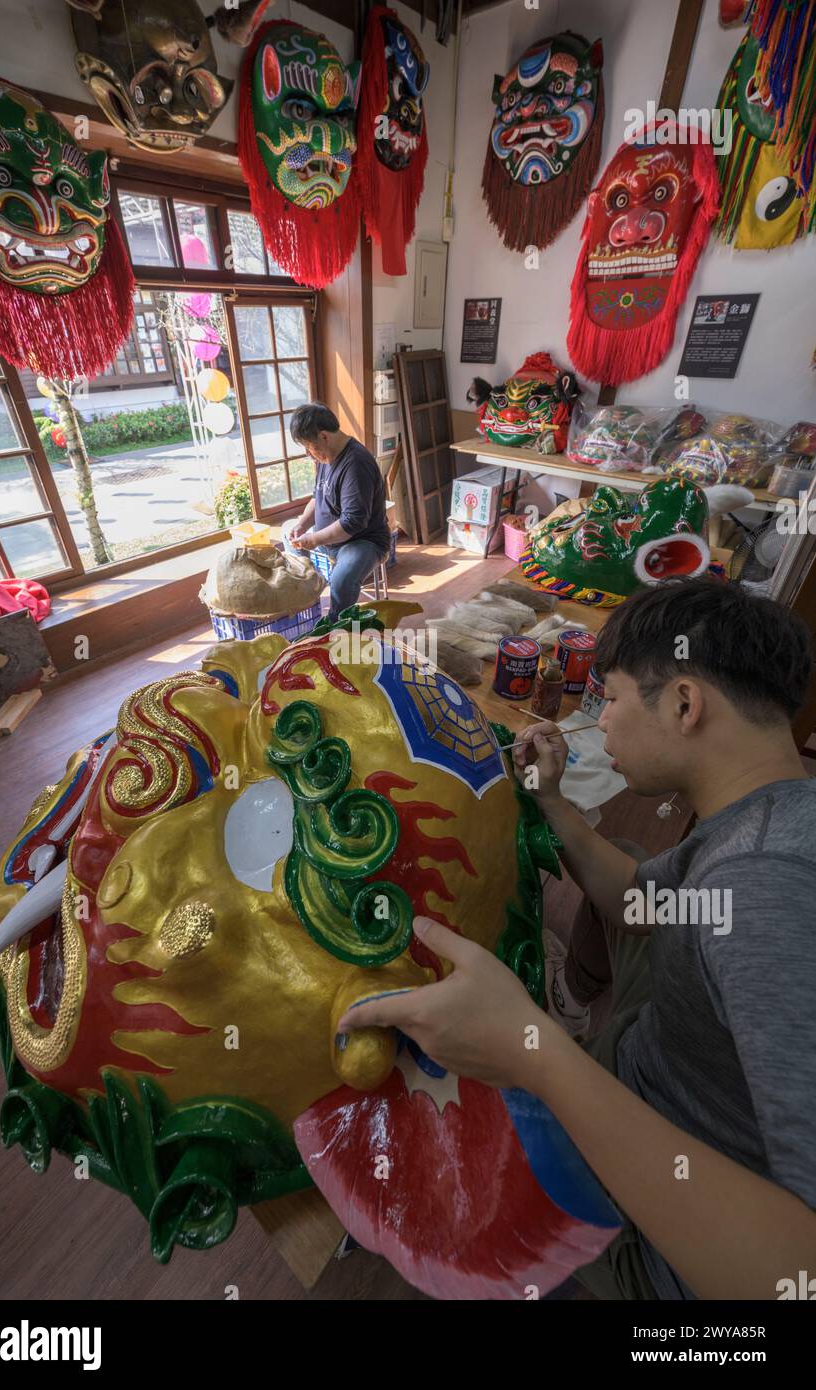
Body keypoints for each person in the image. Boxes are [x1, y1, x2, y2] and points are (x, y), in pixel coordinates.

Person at [339, 577, 816, 1300]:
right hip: (651, 1073)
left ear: (685, 704)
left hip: (659, 1250)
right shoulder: (768, 813)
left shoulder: (766, 888)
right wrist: (551, 801)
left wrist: (537, 1055)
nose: (601, 721)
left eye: (611, 699)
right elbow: (647, 908)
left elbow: (795, 1275)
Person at [284, 402, 390, 617]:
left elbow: (353, 523)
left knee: (342, 578)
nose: (308, 454)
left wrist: (314, 539)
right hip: (331, 540)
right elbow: (318, 497)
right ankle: (310, 605)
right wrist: (302, 524)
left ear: (324, 436)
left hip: (363, 541)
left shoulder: (356, 463)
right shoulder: (326, 455)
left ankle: (337, 626)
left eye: (309, 447)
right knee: (288, 536)